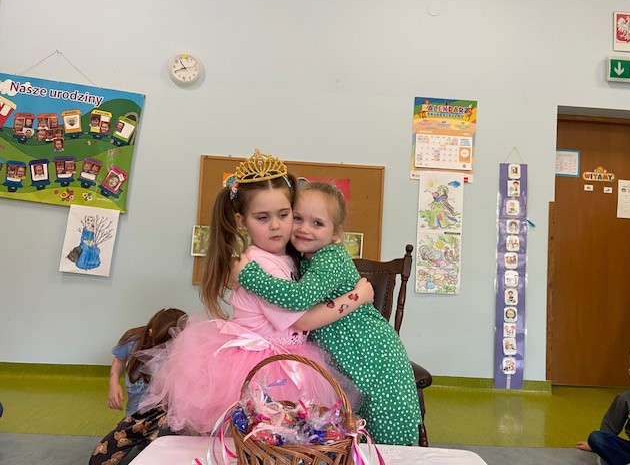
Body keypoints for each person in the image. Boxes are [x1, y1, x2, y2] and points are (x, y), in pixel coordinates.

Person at [138, 150, 372, 435]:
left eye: (284, 215)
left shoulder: (286, 257)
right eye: (262, 217)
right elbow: (302, 320)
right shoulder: (261, 265)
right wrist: (357, 296)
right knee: (265, 432)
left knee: (277, 434)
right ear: (241, 221)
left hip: (284, 354)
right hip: (265, 364)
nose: (276, 225)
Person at [235, 180, 423, 445]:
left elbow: (298, 298)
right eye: (298, 218)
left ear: (335, 233)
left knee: (385, 434)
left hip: (374, 356)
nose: (304, 228)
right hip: (351, 358)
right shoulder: (302, 258)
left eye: (317, 223)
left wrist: (250, 276)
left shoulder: (330, 258)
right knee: (352, 429)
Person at [89, 308, 186, 465]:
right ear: (151, 333)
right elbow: (119, 359)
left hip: (165, 416)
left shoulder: (182, 347)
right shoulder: (133, 340)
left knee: (159, 456)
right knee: (97, 461)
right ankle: (145, 439)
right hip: (136, 416)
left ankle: (153, 440)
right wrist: (113, 384)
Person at [577, 344, 630, 465]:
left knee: (605, 460)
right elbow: (609, 429)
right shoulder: (625, 399)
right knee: (595, 437)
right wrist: (596, 445)